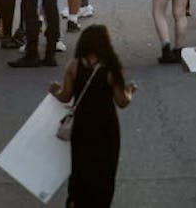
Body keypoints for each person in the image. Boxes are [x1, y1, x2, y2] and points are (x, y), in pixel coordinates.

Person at [48, 24, 136, 208]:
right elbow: (122, 102)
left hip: (82, 126)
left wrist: (55, 90)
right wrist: (130, 91)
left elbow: (66, 96)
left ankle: (76, 201)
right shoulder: (111, 69)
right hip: (106, 128)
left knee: (81, 166)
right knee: (105, 169)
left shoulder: (74, 65)